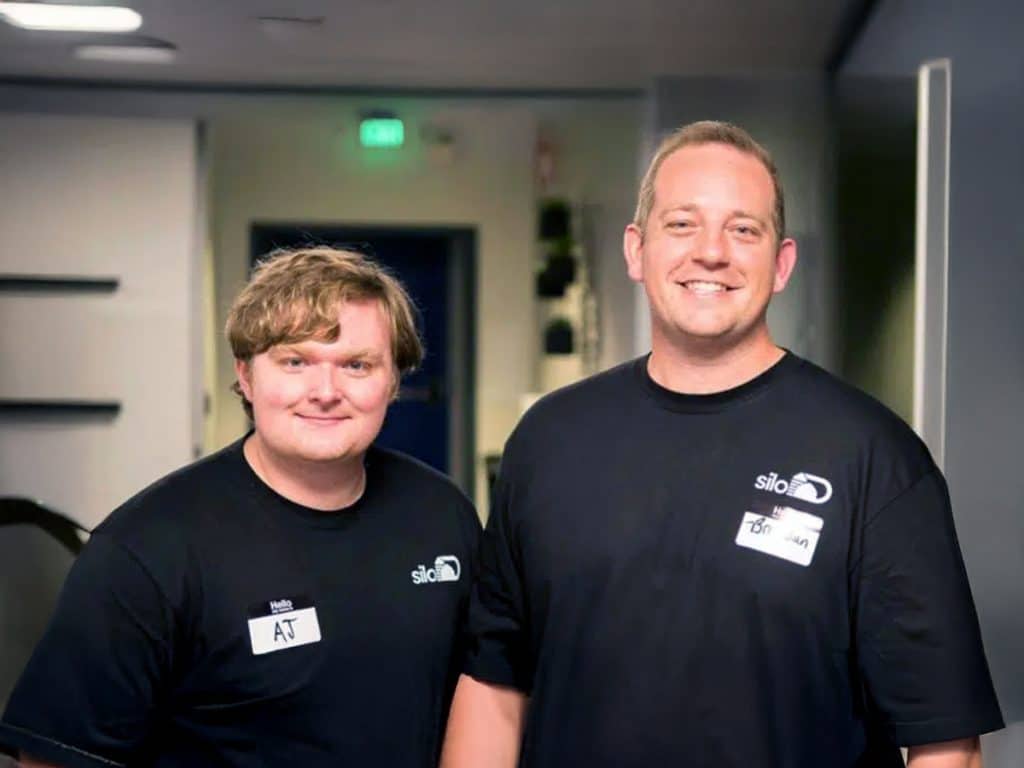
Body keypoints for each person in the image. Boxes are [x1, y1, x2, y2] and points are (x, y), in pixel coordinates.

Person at [440, 121, 1003, 768]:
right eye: (682, 224)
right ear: (635, 249)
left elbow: (944, 742)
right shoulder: (548, 440)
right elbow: (493, 686)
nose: (712, 251)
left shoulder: (871, 455)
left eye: (743, 229)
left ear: (782, 262)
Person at [0, 247, 481, 767]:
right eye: (295, 361)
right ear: (246, 376)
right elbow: (53, 760)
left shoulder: (442, 516)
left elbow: (485, 704)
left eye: (357, 365)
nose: (325, 391)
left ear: (392, 383)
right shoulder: (148, 549)